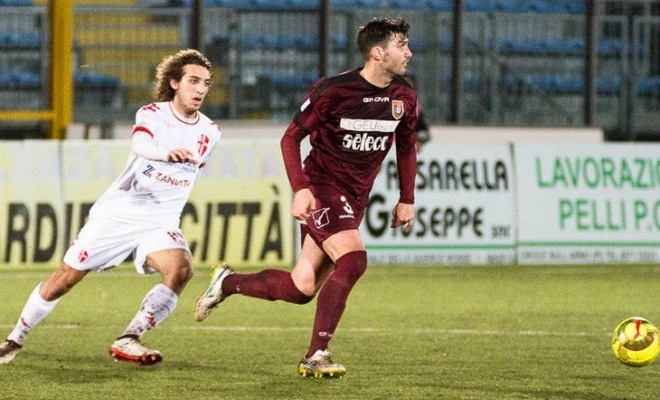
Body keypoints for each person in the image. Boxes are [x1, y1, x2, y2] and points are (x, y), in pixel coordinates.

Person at [194, 17, 418, 378]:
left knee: (302, 287)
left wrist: (407, 197)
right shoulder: (334, 91)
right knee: (354, 260)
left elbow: (406, 147)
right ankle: (316, 354)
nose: (409, 53)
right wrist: (301, 189)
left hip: (355, 198)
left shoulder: (404, 96)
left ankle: (227, 283)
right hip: (322, 187)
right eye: (401, 46)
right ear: (378, 53)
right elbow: (290, 138)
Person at [0, 49, 221, 366]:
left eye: (206, 83)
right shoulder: (152, 114)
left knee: (181, 270)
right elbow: (140, 145)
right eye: (193, 81)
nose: (200, 89)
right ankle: (14, 339)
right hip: (120, 213)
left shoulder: (211, 132)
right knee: (65, 278)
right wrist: (165, 154)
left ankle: (129, 338)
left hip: (160, 221)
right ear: (175, 82)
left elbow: (193, 173)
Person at [402, 73, 431, 153]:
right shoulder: (384, 101)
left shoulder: (415, 107)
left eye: (408, 84)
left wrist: (419, 141)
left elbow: (424, 132)